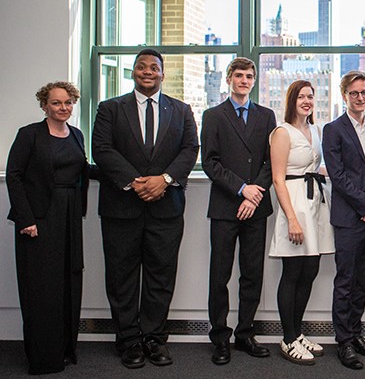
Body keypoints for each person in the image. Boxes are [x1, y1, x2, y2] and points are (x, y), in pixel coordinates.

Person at [92, 49, 199, 369]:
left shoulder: (181, 110)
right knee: (121, 277)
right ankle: (128, 340)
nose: (148, 71)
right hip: (121, 207)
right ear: (133, 72)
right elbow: (102, 149)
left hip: (166, 209)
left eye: (154, 67)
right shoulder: (110, 108)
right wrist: (135, 182)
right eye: (141, 67)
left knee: (160, 276)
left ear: (163, 74)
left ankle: (153, 338)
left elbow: (190, 149)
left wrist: (164, 180)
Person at [7, 82, 96, 375]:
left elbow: (83, 170)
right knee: (42, 288)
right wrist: (26, 219)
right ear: (44, 105)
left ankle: (65, 350)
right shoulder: (29, 135)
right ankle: (44, 358)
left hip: (70, 216)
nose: (63, 108)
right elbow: (15, 176)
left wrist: (128, 176)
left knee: (69, 282)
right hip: (40, 219)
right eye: (56, 103)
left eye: (68, 102)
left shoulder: (77, 135)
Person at [200, 57, 275, 365]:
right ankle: (220, 337)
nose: (244, 80)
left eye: (249, 76)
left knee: (252, 274)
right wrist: (242, 189)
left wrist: (254, 193)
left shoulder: (267, 115)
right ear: (229, 79)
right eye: (239, 75)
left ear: (254, 81)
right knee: (219, 275)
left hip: (255, 208)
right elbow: (210, 162)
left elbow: (272, 162)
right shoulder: (213, 115)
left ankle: (245, 333)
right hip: (225, 206)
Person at [322, 70, 365, 370]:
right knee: (346, 280)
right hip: (349, 217)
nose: (360, 98)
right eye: (354, 93)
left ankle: (357, 333)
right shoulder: (333, 129)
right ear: (344, 95)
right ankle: (344, 342)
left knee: (362, 279)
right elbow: (337, 177)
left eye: (364, 93)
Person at [269, 80, 334, 365]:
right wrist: (292, 219)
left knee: (310, 270)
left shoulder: (315, 130)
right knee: (292, 272)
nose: (307, 100)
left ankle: (297, 333)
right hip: (294, 206)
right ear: (291, 100)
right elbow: (277, 178)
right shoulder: (282, 132)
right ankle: (288, 338)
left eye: (311, 96)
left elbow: (314, 166)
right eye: (301, 96)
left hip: (315, 206)